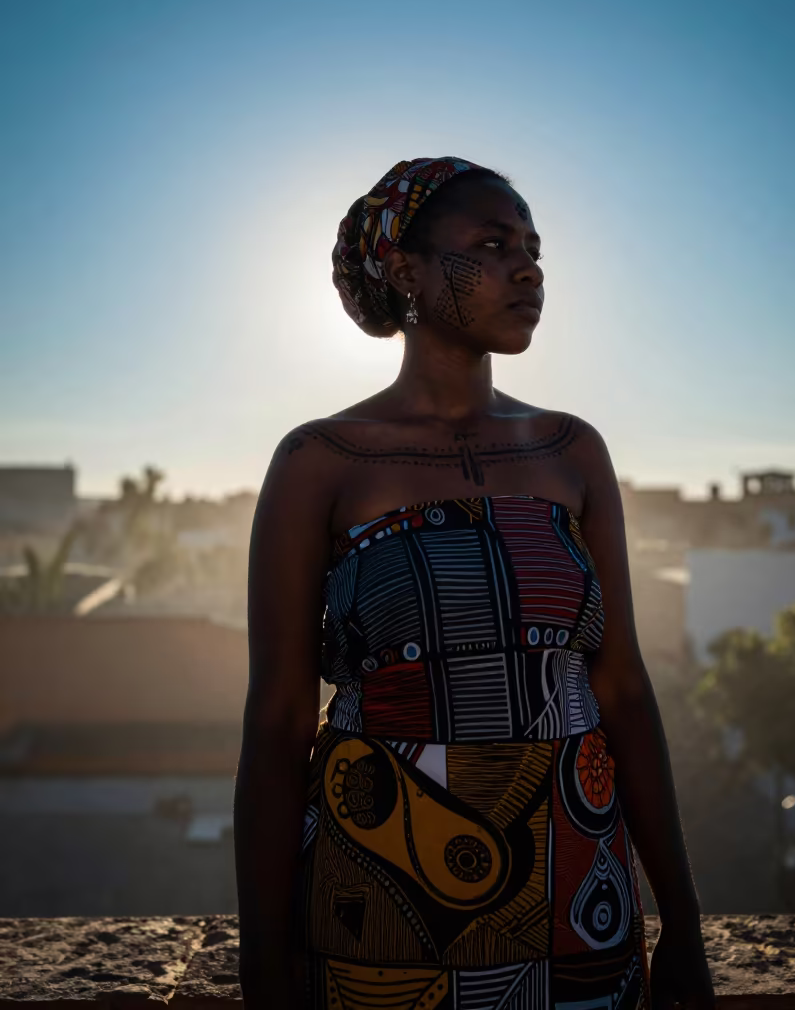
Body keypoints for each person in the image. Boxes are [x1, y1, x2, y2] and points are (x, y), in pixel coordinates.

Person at [234, 157, 715, 1010]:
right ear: (406, 270)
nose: (528, 268)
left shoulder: (573, 451)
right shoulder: (319, 461)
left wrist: (682, 919)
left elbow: (624, 689)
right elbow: (276, 721)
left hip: (579, 889)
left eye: (534, 248)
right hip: (379, 896)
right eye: (493, 245)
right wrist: (264, 965)